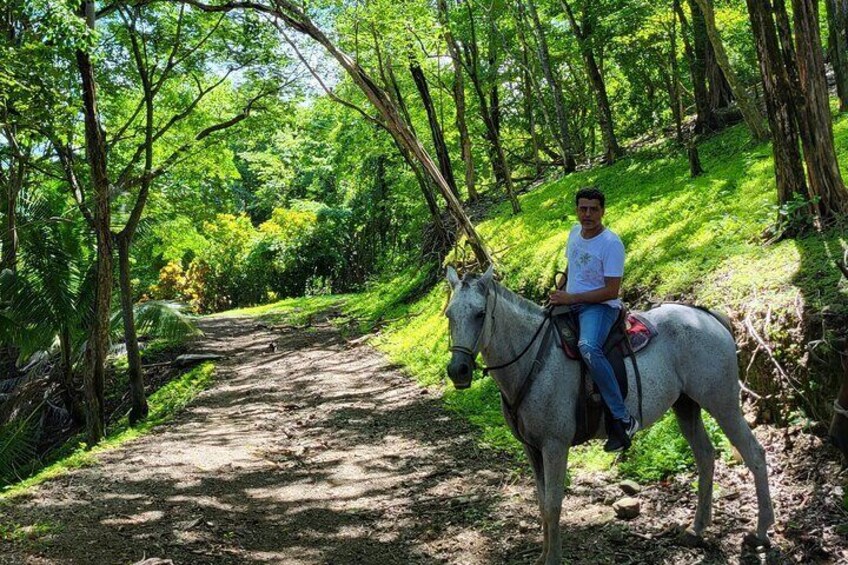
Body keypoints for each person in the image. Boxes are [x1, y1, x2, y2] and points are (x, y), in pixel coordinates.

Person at [549, 186, 638, 452]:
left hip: (600, 308)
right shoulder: (574, 234)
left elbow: (612, 291)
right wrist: (561, 289)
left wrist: (572, 298)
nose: (587, 214)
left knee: (588, 347)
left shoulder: (611, 244)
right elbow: (571, 267)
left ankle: (622, 417)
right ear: (576, 210)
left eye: (593, 209)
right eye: (583, 208)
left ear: (602, 211)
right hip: (571, 302)